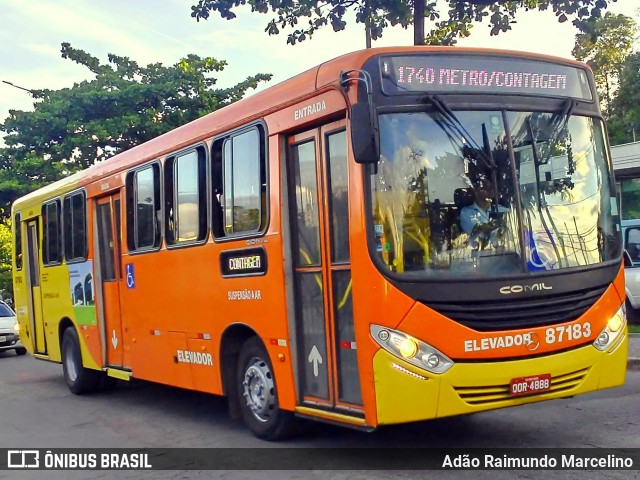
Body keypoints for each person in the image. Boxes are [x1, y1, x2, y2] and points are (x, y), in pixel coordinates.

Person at [460, 179, 508, 249]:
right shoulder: (466, 212)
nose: (490, 191)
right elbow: (479, 231)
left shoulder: (502, 210)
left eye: (491, 187)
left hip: (504, 254)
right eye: (485, 188)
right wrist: (500, 225)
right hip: (479, 254)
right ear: (475, 191)